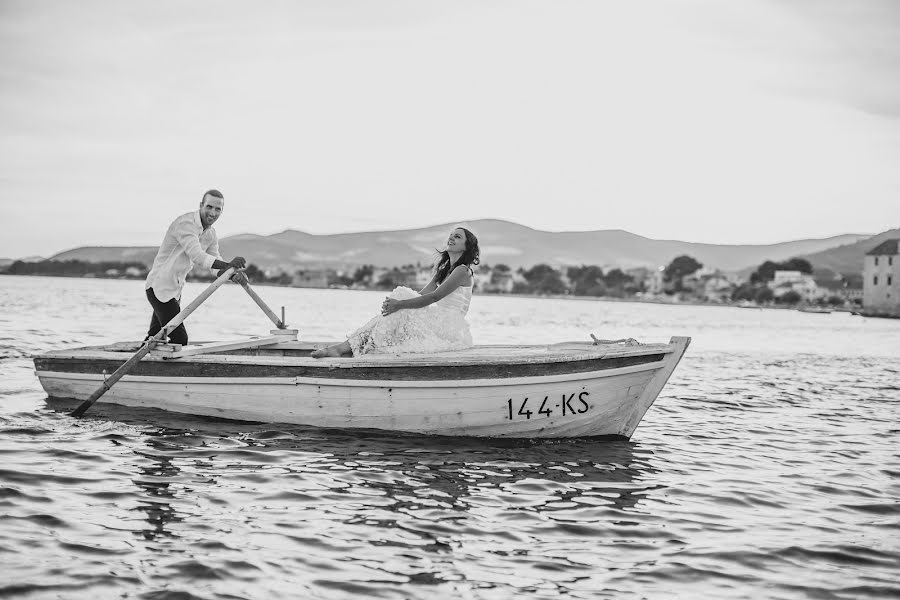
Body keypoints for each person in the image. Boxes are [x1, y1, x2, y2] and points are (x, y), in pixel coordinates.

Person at [312, 227, 480, 358]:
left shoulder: (462, 271)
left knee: (401, 301)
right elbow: (421, 295)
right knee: (402, 296)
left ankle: (346, 347)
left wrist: (399, 305)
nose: (451, 237)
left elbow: (434, 297)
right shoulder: (444, 270)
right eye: (451, 235)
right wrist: (397, 304)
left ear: (466, 247)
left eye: (457, 236)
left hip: (450, 327)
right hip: (439, 320)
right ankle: (354, 346)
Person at [144, 189, 248, 346]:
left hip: (175, 290)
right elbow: (198, 256)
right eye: (209, 207)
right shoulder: (186, 224)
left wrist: (232, 274)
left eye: (217, 209)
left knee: (155, 337)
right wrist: (229, 265)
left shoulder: (211, 234)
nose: (213, 213)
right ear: (201, 205)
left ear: (221, 211)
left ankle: (143, 364)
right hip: (159, 287)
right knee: (179, 339)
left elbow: (214, 262)